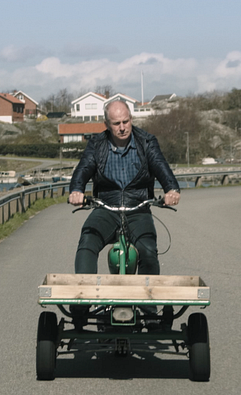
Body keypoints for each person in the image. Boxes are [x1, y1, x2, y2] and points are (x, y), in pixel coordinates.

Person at [68, 100, 181, 323]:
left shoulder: (147, 141)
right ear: (107, 124)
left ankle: (147, 306)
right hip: (106, 207)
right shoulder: (96, 144)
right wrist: (76, 191)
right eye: (116, 123)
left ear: (131, 119)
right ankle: (83, 301)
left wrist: (171, 189)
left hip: (137, 208)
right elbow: (83, 169)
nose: (122, 127)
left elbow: (160, 166)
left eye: (126, 121)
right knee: (87, 240)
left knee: (148, 249)